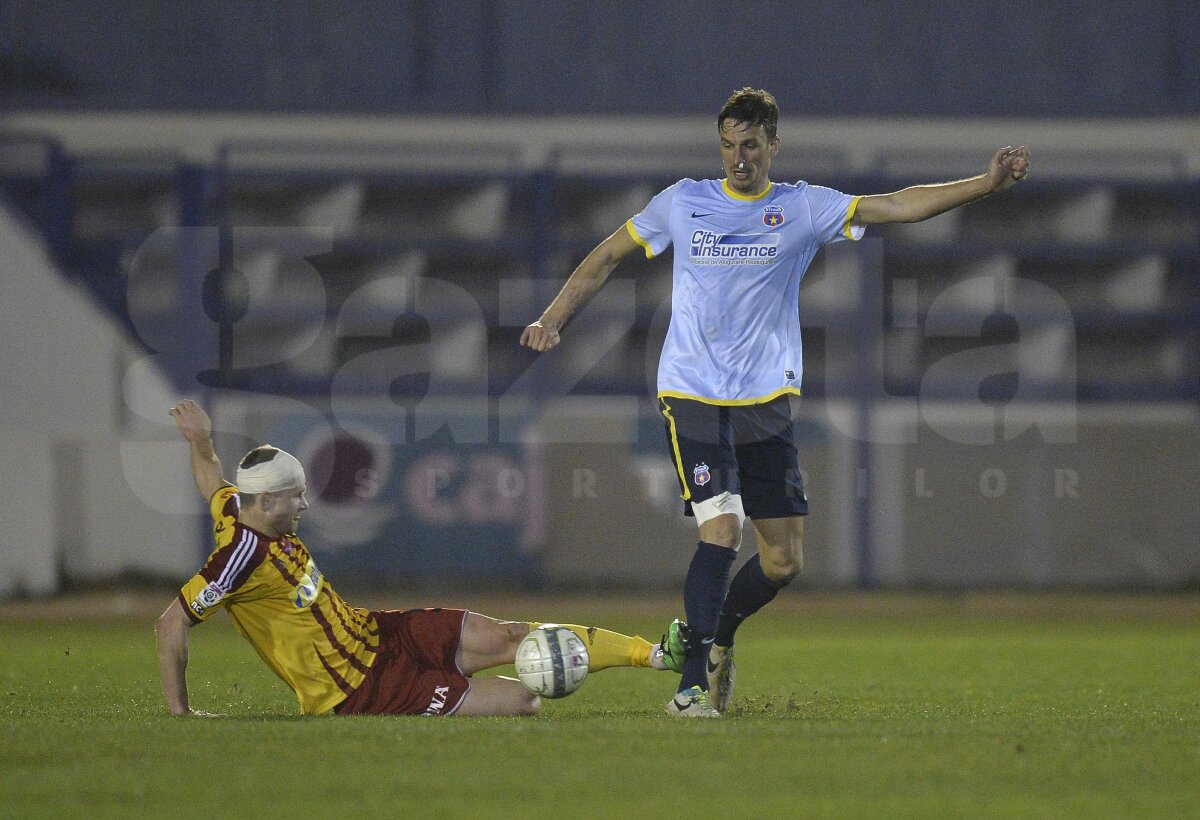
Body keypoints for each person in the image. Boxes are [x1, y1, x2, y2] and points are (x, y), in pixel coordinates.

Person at [520, 87, 1031, 717]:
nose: (739, 158)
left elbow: (897, 205)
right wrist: (553, 317)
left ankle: (720, 640)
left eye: (751, 145)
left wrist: (985, 183)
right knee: (721, 528)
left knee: (784, 561)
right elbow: (604, 257)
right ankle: (690, 689)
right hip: (691, 392)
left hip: (766, 397)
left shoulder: (803, 208)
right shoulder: (683, 203)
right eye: (729, 145)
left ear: (773, 147)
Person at [155, 400, 670, 717]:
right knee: (525, 699)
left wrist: (200, 440)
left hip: (380, 633)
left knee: (511, 636)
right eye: (296, 497)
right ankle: (454, 689)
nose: (306, 505)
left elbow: (212, 482)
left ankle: (653, 655)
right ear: (266, 503)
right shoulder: (239, 557)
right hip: (363, 689)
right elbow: (170, 624)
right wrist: (182, 712)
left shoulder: (237, 509)